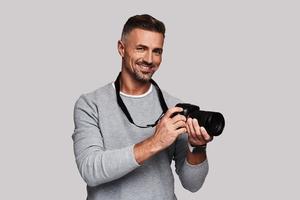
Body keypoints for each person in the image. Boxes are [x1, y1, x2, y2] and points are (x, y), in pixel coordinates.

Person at [72, 14, 213, 200]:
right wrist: (155, 142)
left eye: (157, 51)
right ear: (121, 49)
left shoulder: (174, 108)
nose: (149, 59)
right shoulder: (91, 104)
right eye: (141, 49)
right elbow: (90, 169)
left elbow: (192, 184)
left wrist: (198, 148)